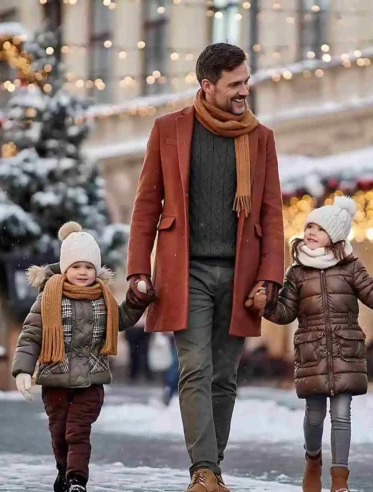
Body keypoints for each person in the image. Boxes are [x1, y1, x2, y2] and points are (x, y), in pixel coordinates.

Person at [125, 42, 285, 492]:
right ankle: (203, 471)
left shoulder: (261, 137)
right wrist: (138, 269)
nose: (244, 91)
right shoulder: (169, 130)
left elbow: (272, 214)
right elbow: (145, 207)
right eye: (235, 84)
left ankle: (211, 467)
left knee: (223, 376)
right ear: (207, 85)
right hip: (186, 271)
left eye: (246, 81)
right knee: (194, 367)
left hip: (240, 274)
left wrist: (270, 277)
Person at [250, 196, 373, 492]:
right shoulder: (296, 271)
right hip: (312, 352)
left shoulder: (351, 267)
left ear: (335, 235)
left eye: (319, 228)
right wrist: (266, 306)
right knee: (315, 416)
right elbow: (286, 312)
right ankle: (313, 460)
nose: (311, 232)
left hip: (346, 351)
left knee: (342, 415)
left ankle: (340, 479)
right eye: (309, 227)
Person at [11, 222, 154, 492]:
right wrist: (22, 370)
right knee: (59, 432)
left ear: (96, 270)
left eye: (88, 267)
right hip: (55, 378)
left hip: (91, 378)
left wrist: (137, 299)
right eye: (76, 266)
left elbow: (121, 319)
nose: (82, 272)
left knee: (78, 431)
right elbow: (31, 335)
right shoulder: (48, 298)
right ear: (66, 268)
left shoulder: (104, 298)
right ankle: (63, 471)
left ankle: (77, 479)